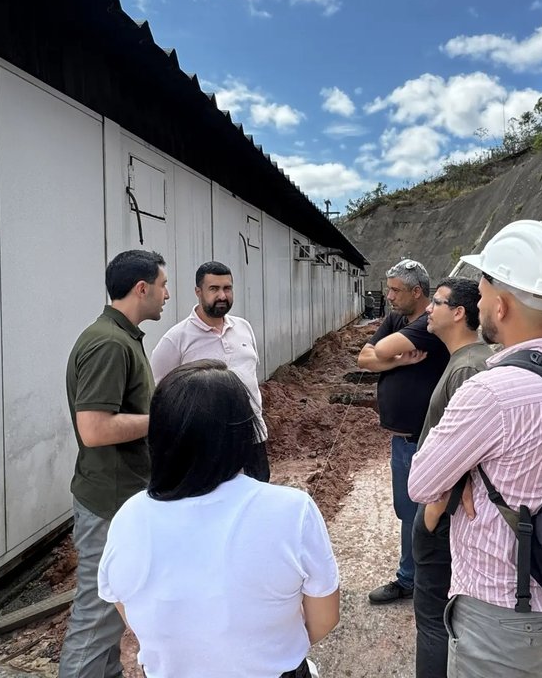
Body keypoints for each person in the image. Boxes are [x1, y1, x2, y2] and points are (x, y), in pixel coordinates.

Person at [410, 220, 542, 678]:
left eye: (484, 293)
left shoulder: (492, 392)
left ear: (502, 306)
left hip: (502, 611)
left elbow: (422, 482)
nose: (480, 303)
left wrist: (465, 471)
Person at [98, 360, 341, 678]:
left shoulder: (128, 517)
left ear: (159, 435)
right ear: (241, 433)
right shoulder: (292, 511)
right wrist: (268, 651)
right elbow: (324, 618)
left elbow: (132, 614)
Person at [59, 249, 170, 678]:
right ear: (141, 288)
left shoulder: (122, 337)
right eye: (162, 285)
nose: (167, 294)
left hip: (120, 496)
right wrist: (163, 419)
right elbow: (94, 428)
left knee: (108, 611)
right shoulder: (109, 343)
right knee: (98, 614)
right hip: (108, 502)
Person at [356, 259, 450, 604]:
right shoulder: (396, 318)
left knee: (428, 513)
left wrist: (384, 355)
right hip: (402, 440)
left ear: (417, 292)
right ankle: (415, 579)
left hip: (424, 441)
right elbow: (363, 359)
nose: (389, 296)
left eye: (395, 290)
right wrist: (397, 361)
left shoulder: (428, 324)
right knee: (407, 512)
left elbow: (376, 350)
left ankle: (421, 581)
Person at [411, 277, 492, 678]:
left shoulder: (469, 367)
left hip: (442, 517)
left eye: (437, 303)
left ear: (459, 313)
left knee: (432, 618)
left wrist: (432, 513)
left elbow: (462, 455)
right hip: (442, 512)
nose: (428, 309)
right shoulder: (466, 360)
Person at [149, 261, 270, 481]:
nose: (222, 296)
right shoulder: (176, 340)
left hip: (252, 438)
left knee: (257, 498)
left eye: (227, 288)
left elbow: (251, 377)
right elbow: (160, 397)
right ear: (198, 291)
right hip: (206, 446)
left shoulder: (243, 328)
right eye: (214, 289)